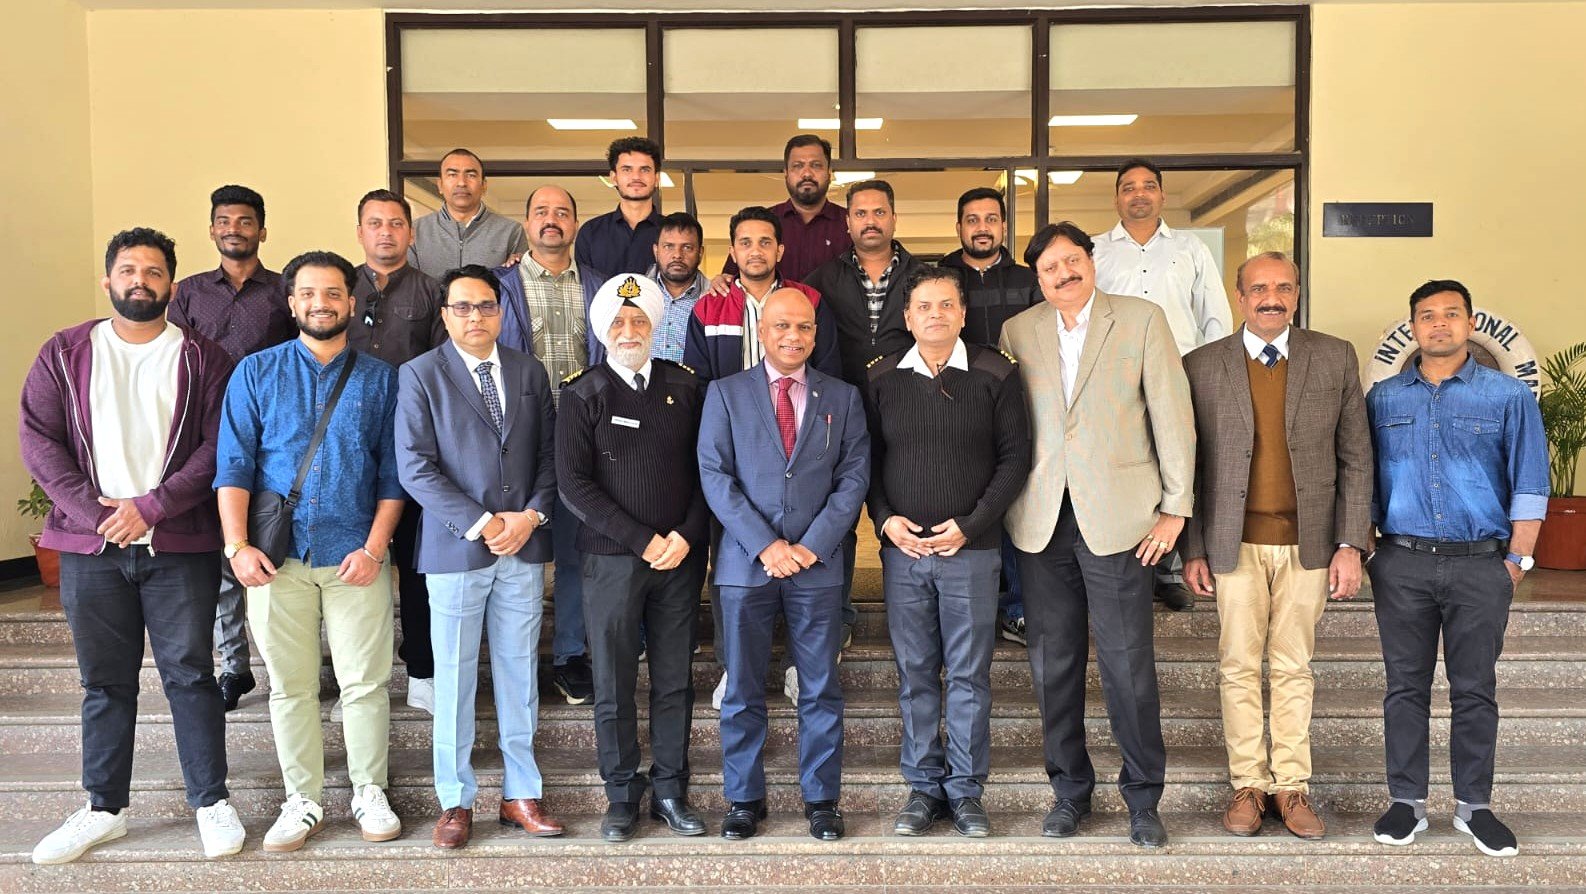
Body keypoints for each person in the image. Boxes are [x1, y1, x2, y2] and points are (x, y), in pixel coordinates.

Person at [23, 228, 243, 864]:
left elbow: (219, 446)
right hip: (90, 547)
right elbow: (39, 440)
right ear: (108, 280)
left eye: (153, 272)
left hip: (178, 544)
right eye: (128, 270)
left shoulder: (204, 358)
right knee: (104, 682)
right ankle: (103, 808)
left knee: (192, 675)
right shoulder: (65, 352)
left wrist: (152, 506)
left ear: (172, 285)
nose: (139, 281)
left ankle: (211, 801)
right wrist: (96, 514)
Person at [999, 222, 1195, 848]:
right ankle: (1069, 793)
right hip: (1041, 522)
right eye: (1049, 267)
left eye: (1072, 260)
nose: (1064, 273)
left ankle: (1143, 797)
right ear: (1038, 279)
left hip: (1122, 521)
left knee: (1127, 665)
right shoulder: (1017, 331)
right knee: (1053, 666)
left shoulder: (1140, 320)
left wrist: (1176, 508)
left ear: (1091, 260)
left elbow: (1172, 415)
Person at [214, 250, 405, 853]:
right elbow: (233, 466)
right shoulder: (255, 372)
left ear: (352, 302)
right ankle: (302, 800)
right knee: (290, 687)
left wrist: (375, 548)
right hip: (277, 561)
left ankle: (369, 790)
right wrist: (237, 547)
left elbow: (393, 475)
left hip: (357, 558)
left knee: (365, 684)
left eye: (332, 293)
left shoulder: (382, 379)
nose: (321, 304)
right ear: (291, 302)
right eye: (308, 294)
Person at [1180, 252, 1372, 839]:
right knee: (1238, 666)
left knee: (1293, 667)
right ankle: (1248, 784)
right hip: (1232, 542)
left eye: (1283, 287)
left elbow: (1357, 457)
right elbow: (1188, 465)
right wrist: (1193, 547)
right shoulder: (1201, 364)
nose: (1271, 298)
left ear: (1297, 294)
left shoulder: (1334, 356)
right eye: (1259, 288)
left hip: (1309, 544)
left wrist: (1350, 543)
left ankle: (1291, 786)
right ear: (1239, 298)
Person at [1366, 279, 1548, 858]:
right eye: (1427, 315)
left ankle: (1475, 807)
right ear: (1412, 328)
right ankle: (1407, 803)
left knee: (1474, 690)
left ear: (1470, 324)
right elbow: (1363, 478)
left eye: (1450, 314)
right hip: (1402, 563)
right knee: (1404, 689)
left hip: (1481, 566)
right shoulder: (1384, 398)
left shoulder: (1507, 396)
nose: (1438, 324)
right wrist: (1367, 550)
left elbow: (1530, 481)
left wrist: (1517, 560)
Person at [395, 265, 562, 849]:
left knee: (519, 674)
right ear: (445, 315)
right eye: (462, 307)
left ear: (501, 311)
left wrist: (531, 516)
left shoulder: (527, 370)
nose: (475, 316)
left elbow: (551, 455)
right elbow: (415, 466)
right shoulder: (420, 374)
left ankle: (521, 794)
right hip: (456, 548)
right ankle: (455, 799)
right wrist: (483, 522)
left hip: (523, 544)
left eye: (486, 305)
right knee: (455, 678)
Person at [697, 289, 870, 842]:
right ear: (762, 331)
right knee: (742, 689)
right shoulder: (725, 393)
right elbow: (714, 475)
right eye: (781, 326)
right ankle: (744, 799)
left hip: (817, 566)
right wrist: (766, 545)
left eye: (803, 327)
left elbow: (853, 479)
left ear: (815, 333)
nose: (793, 336)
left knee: (820, 689)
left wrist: (813, 545)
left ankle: (821, 800)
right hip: (745, 565)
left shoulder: (842, 397)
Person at [864, 266, 1030, 838]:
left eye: (946, 304)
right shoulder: (882, 376)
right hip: (904, 553)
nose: (935, 314)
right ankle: (922, 787)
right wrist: (885, 520)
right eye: (924, 306)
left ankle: (964, 791)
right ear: (907, 318)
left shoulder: (995, 372)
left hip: (972, 551)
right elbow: (867, 460)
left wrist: (971, 525)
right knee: (914, 674)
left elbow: (1015, 459)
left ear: (962, 313)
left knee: (967, 675)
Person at [557, 274, 710, 842]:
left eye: (639, 320)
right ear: (602, 331)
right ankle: (621, 794)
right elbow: (574, 485)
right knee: (614, 682)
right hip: (612, 561)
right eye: (618, 322)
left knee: (673, 680)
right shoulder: (582, 393)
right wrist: (641, 539)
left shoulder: (686, 386)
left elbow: (708, 470)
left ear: (654, 327)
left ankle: (670, 790)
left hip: (678, 560)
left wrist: (687, 536)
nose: (629, 330)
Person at [684, 205, 843, 710]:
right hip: (738, 447)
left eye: (765, 242)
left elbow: (829, 370)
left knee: (816, 563)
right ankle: (732, 668)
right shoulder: (711, 305)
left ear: (780, 249)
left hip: (802, 445)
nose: (755, 251)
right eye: (745, 242)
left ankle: (802, 666)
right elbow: (695, 382)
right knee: (731, 559)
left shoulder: (807, 300)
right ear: (732, 250)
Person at [168, 184, 295, 712]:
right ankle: (234, 666)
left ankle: (298, 663)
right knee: (226, 551)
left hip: (275, 438)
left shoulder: (285, 290)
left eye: (244, 221)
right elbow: (171, 362)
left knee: (281, 546)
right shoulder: (189, 293)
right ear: (212, 229)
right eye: (224, 221)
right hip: (208, 437)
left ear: (262, 230)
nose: (234, 229)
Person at [1092, 158, 1234, 611]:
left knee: (1178, 466)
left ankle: (1170, 569)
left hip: (1181, 376)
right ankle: (1132, 563)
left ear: (1162, 195)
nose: (1139, 193)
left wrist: (1212, 378)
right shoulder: (1095, 251)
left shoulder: (1191, 249)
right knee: (1130, 466)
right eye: (1129, 187)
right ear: (1116, 198)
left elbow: (1214, 317)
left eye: (1148, 186)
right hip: (1116, 380)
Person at [495, 184, 608, 705]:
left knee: (575, 549)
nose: (551, 219)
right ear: (526, 223)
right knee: (516, 547)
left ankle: (569, 655)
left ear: (575, 224)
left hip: (585, 433)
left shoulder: (600, 286)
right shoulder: (500, 285)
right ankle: (513, 661)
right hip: (518, 434)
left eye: (562, 212)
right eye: (541, 211)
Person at [348, 188, 447, 715]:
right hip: (348, 445)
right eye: (375, 223)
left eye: (395, 223)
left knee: (415, 565)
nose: (385, 232)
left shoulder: (432, 292)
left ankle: (422, 670)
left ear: (411, 233)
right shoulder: (339, 287)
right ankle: (357, 678)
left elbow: (443, 370)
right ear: (360, 232)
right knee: (352, 565)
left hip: (411, 444)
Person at [938, 186, 1040, 647]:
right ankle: (958, 609)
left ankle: (1016, 609)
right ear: (959, 226)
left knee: (1011, 502)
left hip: (1017, 400)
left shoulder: (1028, 280)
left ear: (1003, 226)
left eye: (991, 219)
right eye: (972, 219)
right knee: (961, 500)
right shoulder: (939, 277)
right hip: (951, 406)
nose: (982, 228)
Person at [803, 179, 923, 389]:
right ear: (848, 222)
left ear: (894, 219)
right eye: (860, 214)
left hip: (910, 394)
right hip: (841, 395)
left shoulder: (925, 277)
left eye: (879, 212)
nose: (870, 222)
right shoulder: (821, 280)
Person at [717, 134, 852, 284]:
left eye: (816, 165)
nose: (807, 173)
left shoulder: (851, 225)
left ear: (829, 172)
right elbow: (730, 280)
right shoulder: (762, 223)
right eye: (798, 166)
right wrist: (720, 281)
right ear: (786, 173)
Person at [410, 148, 530, 277]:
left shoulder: (511, 231)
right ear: (440, 185)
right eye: (452, 175)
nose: (462, 183)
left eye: (471, 175)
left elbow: (518, 283)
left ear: (484, 186)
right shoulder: (416, 230)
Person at [576, 137, 665, 275]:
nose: (636, 177)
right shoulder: (591, 232)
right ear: (614, 177)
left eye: (645, 170)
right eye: (627, 170)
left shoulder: (671, 232)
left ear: (657, 178)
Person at [646, 211, 708, 362]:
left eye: (687, 247)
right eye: (668, 246)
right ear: (656, 251)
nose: (677, 255)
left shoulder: (714, 298)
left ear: (700, 253)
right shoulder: (638, 295)